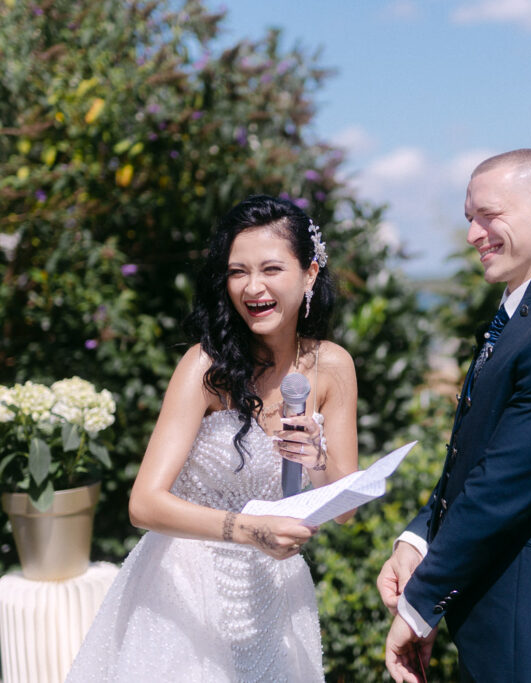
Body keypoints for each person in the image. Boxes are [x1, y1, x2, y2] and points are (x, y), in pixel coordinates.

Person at [67, 195, 358, 682]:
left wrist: (317, 459)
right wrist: (247, 530)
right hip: (184, 591)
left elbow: (345, 508)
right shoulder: (206, 367)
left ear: (309, 275)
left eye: (270, 268)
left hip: (276, 592)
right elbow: (144, 505)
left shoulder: (333, 366)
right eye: (237, 272)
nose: (253, 286)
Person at [379, 149, 531, 682]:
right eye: (469, 218)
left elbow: (502, 487)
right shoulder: (523, 317)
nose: (473, 233)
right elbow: (476, 460)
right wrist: (418, 538)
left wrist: (419, 605)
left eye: (488, 216)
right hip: (503, 625)